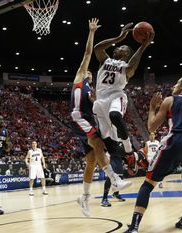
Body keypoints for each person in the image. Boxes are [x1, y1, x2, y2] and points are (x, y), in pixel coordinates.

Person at [125, 77, 182, 233]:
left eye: (177, 83)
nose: (174, 85)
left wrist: (152, 107)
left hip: (176, 140)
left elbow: (152, 126)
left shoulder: (170, 100)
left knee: (148, 184)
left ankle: (134, 227)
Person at [70, 18, 131, 217]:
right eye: (87, 69)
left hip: (88, 117)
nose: (88, 71)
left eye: (89, 71)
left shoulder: (94, 89)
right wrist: (92, 32)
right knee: (97, 142)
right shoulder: (80, 77)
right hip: (79, 117)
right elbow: (89, 52)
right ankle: (114, 179)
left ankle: (84, 197)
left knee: (91, 161)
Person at [93, 22, 154, 173]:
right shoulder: (105, 60)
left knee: (115, 114)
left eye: (124, 48)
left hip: (116, 96)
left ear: (128, 55)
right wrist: (119, 37)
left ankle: (128, 149)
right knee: (111, 148)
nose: (120, 47)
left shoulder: (126, 68)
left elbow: (133, 65)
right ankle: (134, 155)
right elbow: (97, 48)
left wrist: (143, 46)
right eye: (120, 46)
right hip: (100, 102)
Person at [101, 139, 127, 207]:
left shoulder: (121, 137)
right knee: (110, 177)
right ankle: (104, 198)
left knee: (120, 177)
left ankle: (116, 193)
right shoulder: (110, 134)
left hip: (119, 158)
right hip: (111, 157)